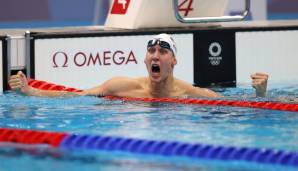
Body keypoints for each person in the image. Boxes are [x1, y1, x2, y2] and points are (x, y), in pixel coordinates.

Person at [8, 33, 268, 98]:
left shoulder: (190, 92)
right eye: (151, 51)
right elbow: (76, 97)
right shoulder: (121, 86)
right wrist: (31, 91)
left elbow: (237, 105)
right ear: (145, 60)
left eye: (163, 52)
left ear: (174, 61)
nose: (155, 56)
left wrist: (261, 93)